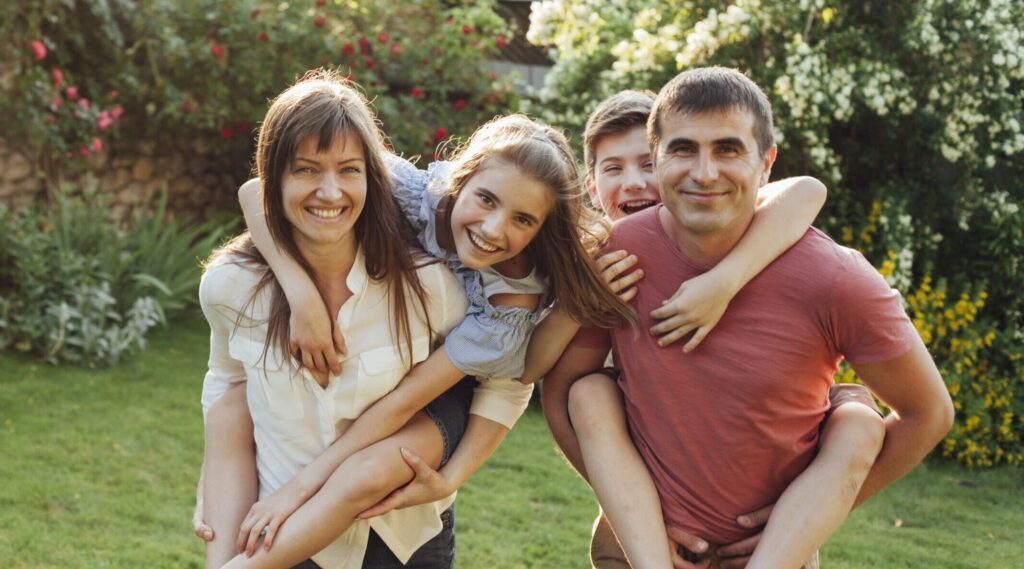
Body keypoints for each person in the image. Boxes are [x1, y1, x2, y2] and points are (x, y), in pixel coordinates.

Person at [541, 67, 954, 569]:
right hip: (636, 550)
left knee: (858, 422)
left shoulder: (835, 278)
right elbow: (566, 391)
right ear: (659, 156)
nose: (705, 172)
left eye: (728, 149)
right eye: (683, 149)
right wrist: (636, 514)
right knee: (592, 392)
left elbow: (928, 413)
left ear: (767, 162)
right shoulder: (618, 257)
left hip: (775, 556)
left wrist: (805, 516)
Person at [196, 70, 532, 569]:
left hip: (403, 538)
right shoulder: (230, 288)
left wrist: (454, 474)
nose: (330, 192)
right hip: (279, 533)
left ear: (372, 178)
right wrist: (213, 480)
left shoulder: (428, 286)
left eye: (348, 170)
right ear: (275, 178)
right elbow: (226, 385)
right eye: (306, 170)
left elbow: (506, 377)